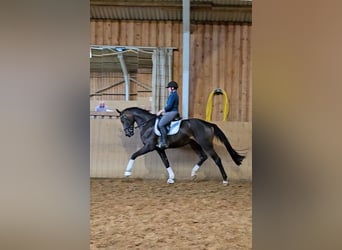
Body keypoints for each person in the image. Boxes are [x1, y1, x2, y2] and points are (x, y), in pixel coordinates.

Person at [156, 81, 179, 149]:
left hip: (172, 112)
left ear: (172, 88)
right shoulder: (173, 95)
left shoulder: (173, 95)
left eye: (169, 88)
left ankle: (164, 142)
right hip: (170, 112)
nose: (168, 89)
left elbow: (169, 107)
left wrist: (160, 111)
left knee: (161, 124)